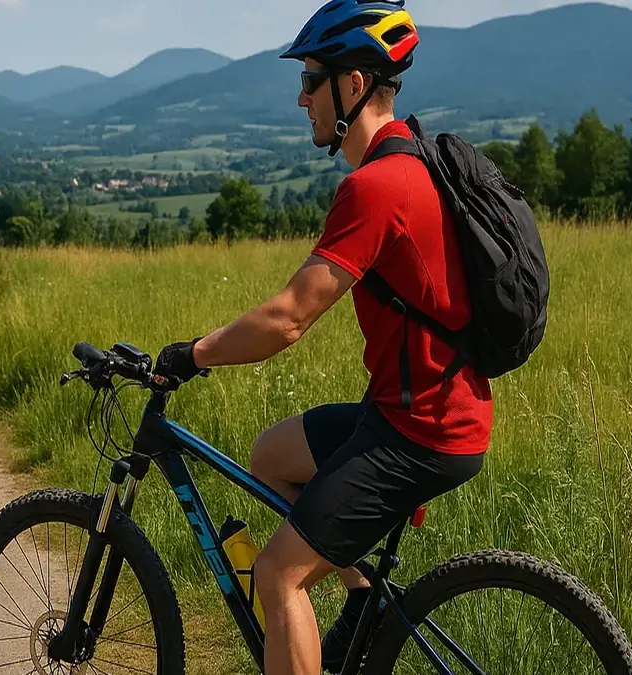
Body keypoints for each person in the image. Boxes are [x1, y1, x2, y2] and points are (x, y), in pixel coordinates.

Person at [151, 1, 492, 673]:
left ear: (354, 85)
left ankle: (319, 609)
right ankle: (362, 600)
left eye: (312, 80)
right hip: (416, 410)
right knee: (270, 454)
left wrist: (190, 355)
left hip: (420, 431)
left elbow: (287, 318)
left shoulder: (378, 186)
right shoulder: (413, 161)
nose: (300, 96)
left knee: (279, 574)